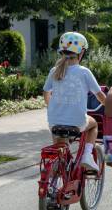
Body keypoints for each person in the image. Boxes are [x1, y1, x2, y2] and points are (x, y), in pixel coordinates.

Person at [43, 32, 106, 171]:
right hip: (77, 121)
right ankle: (87, 155)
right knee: (94, 125)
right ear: (81, 52)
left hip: (54, 121)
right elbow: (99, 95)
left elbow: (46, 93)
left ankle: (57, 179)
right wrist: (111, 107)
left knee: (60, 151)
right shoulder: (84, 72)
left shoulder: (54, 70)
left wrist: (52, 108)